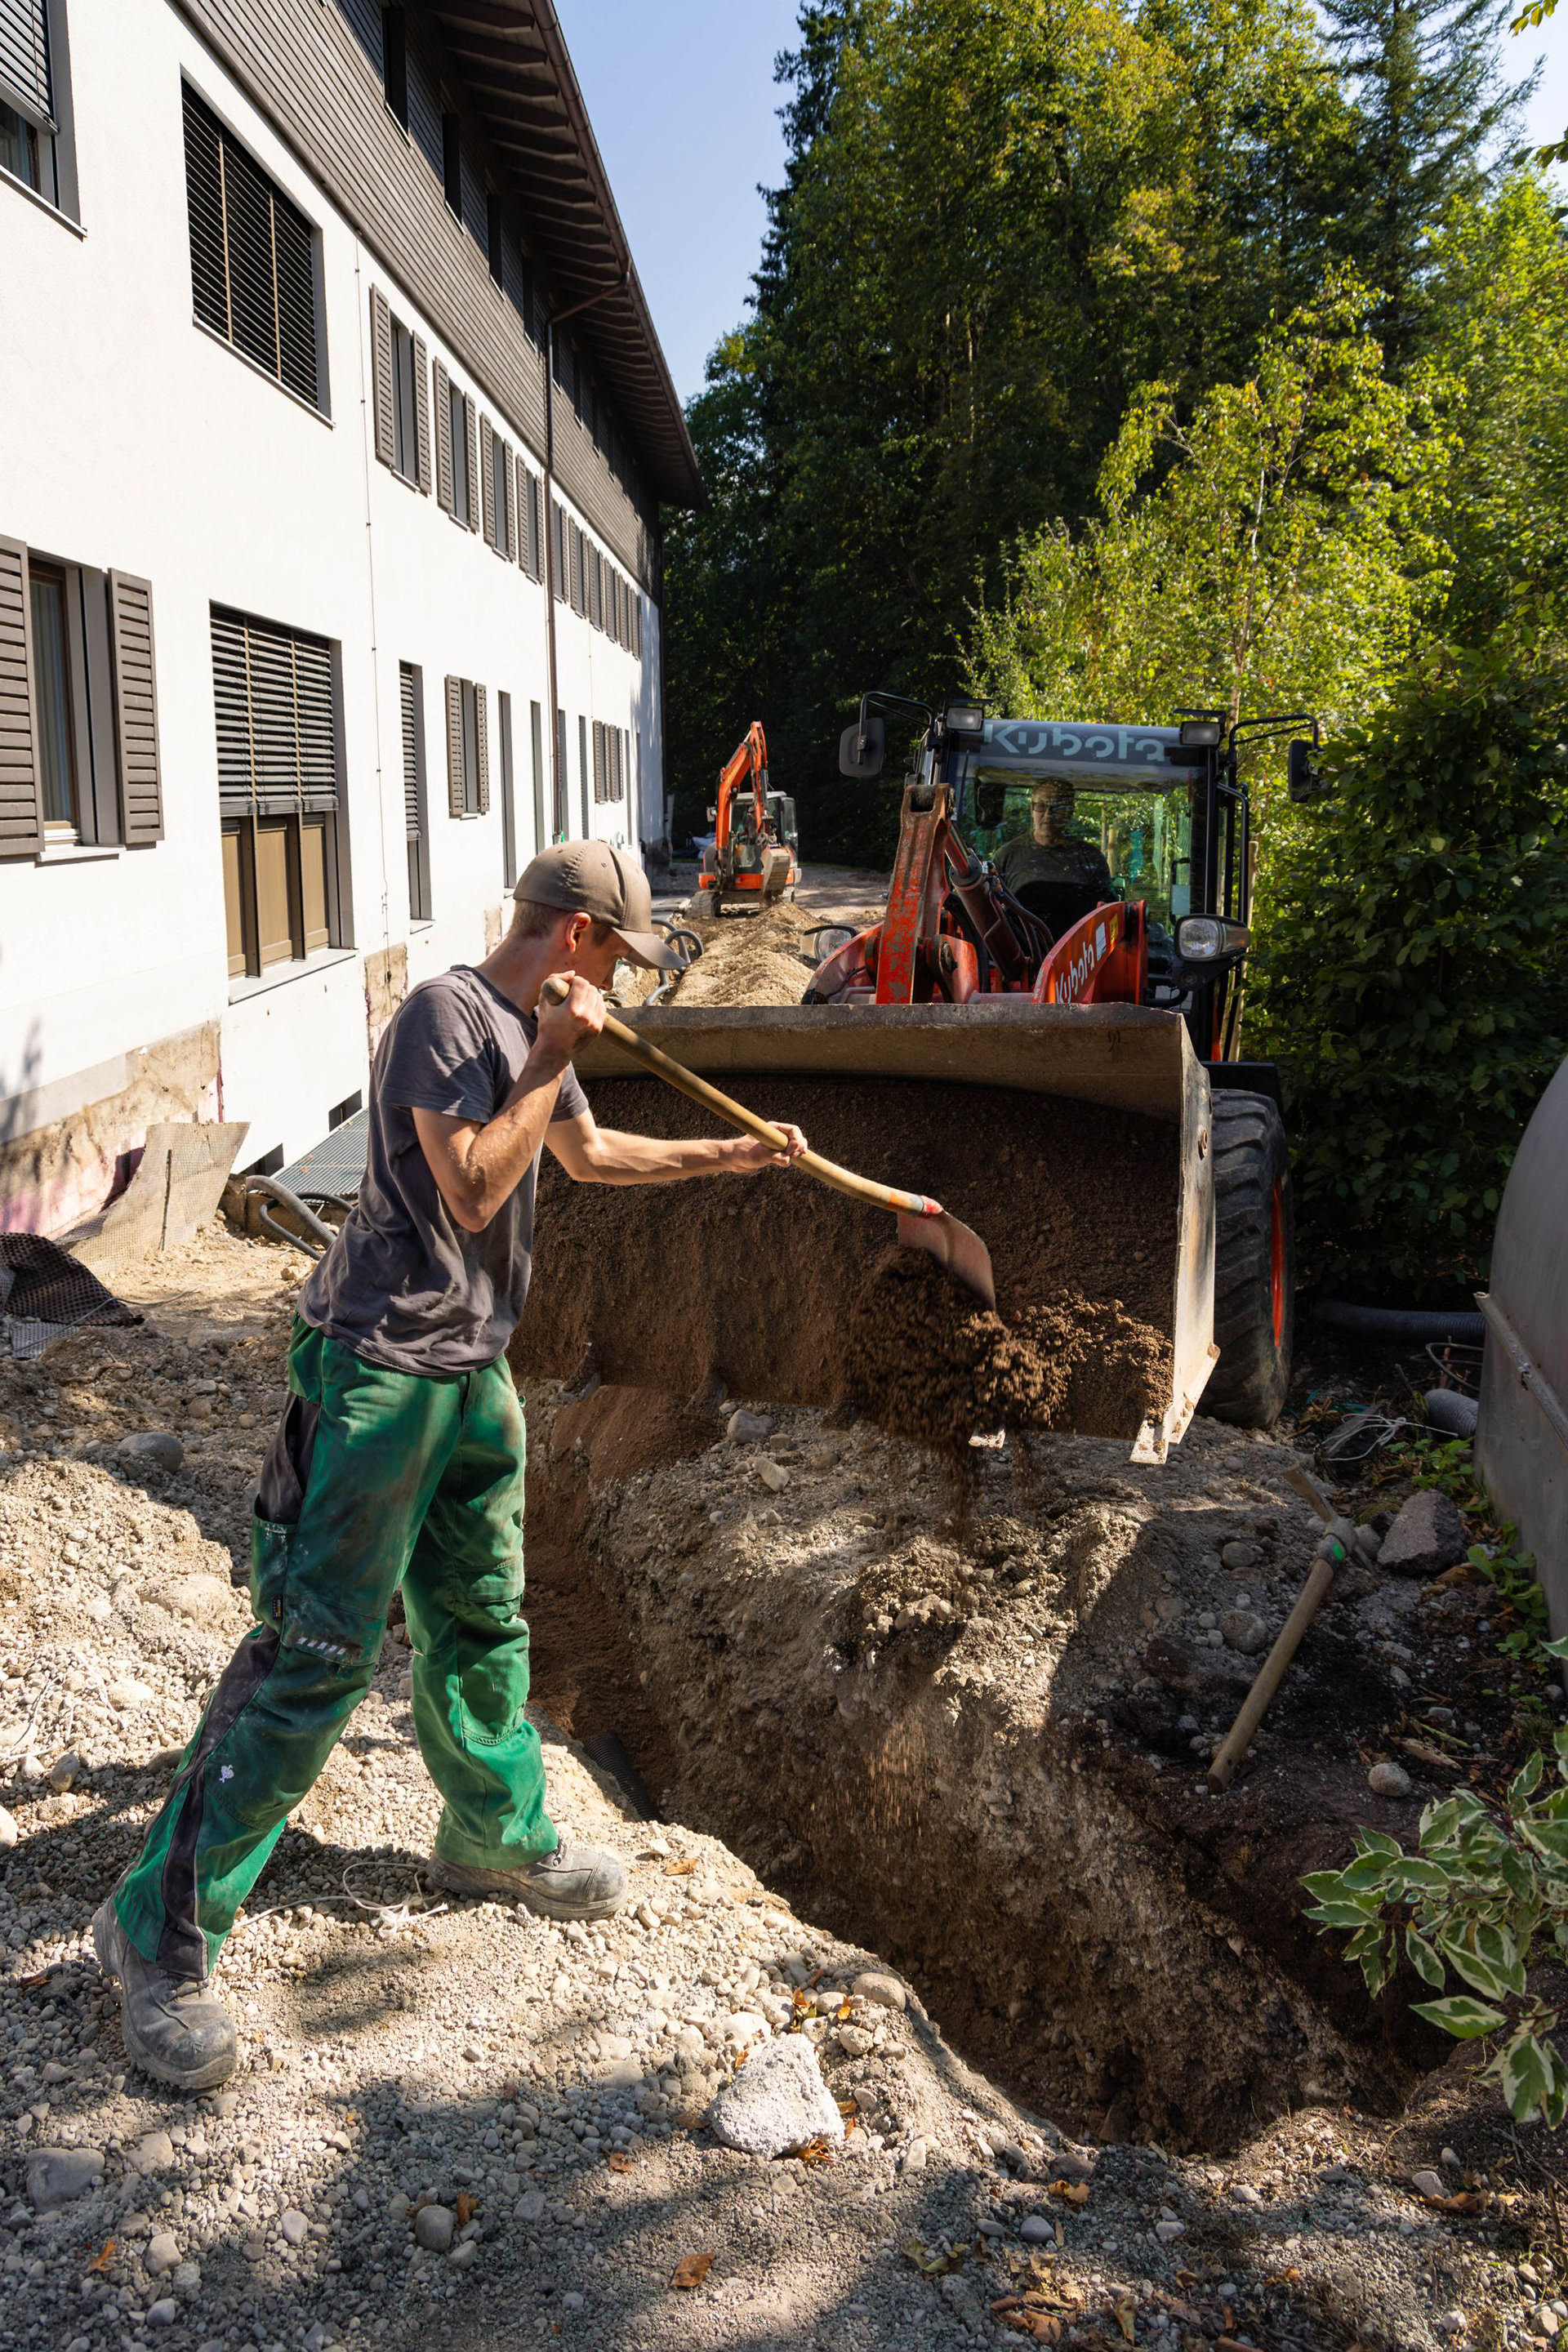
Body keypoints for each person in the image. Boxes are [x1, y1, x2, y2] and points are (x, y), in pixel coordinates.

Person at [92, 841, 807, 2092]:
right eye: (620, 961)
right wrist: (555, 1056)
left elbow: (577, 1157)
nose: (620, 986)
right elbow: (476, 1186)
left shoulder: (532, 1037)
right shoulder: (448, 1016)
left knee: (482, 1620)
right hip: (373, 1373)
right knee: (316, 1654)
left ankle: (493, 1834)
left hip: (471, 1375)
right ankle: (156, 1932)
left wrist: (725, 1160)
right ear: (577, 936)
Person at [993, 777, 1113, 906]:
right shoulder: (1006, 857)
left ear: (1070, 811)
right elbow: (989, 909)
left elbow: (1107, 912)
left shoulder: (1091, 859)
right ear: (1031, 809)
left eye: (1058, 807)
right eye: (1041, 806)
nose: (1048, 814)